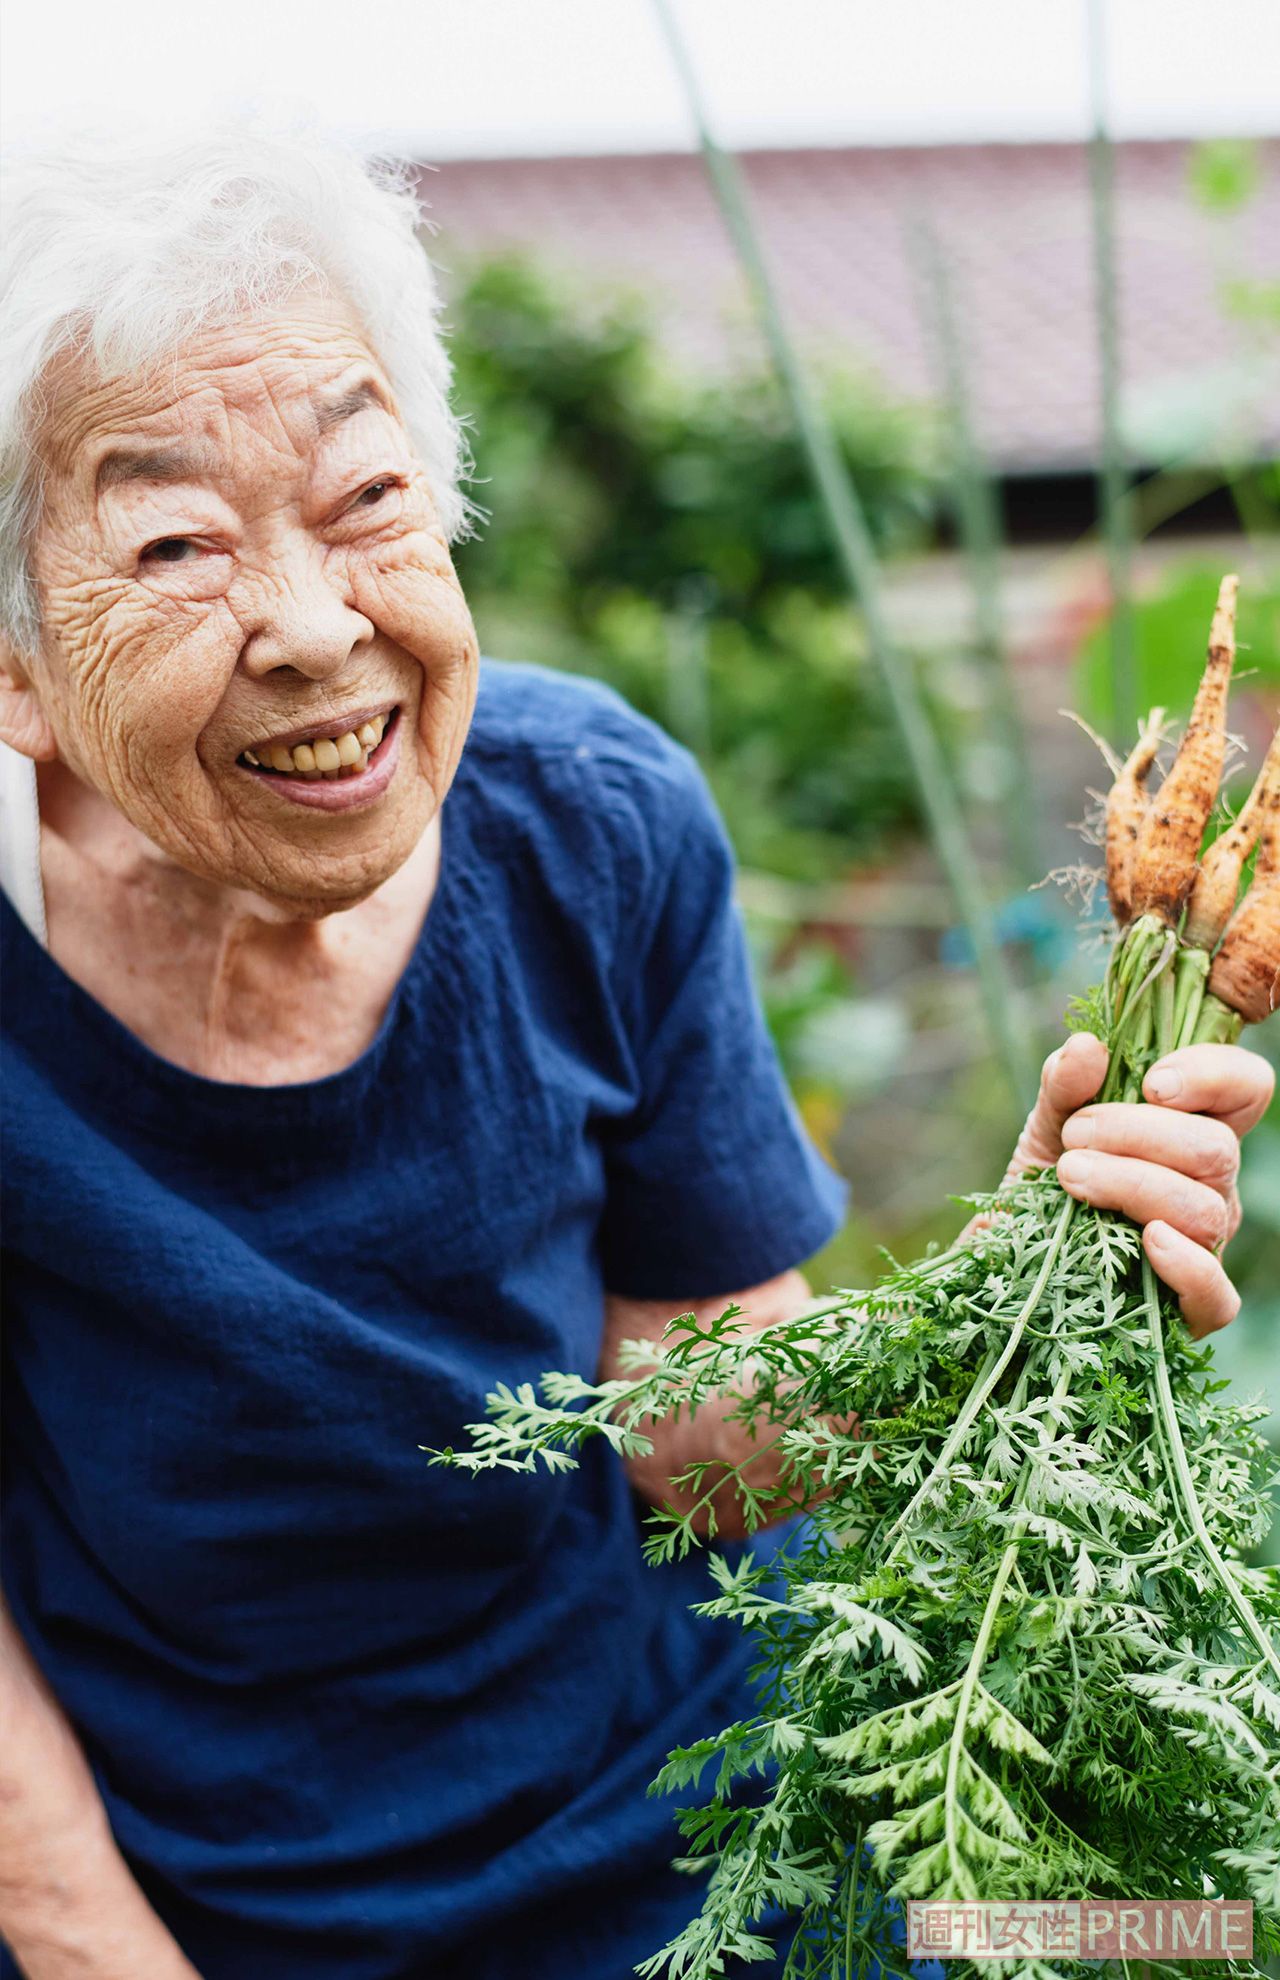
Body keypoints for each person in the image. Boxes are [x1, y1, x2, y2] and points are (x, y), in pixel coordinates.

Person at [0, 123, 1272, 1980]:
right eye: (178, 542)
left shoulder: (591, 824)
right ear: (19, 665)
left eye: (368, 500)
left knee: (1181, 1930)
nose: (312, 626)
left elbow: (694, 1431)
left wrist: (1010, 1292)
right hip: (214, 1902)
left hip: (693, 1829)